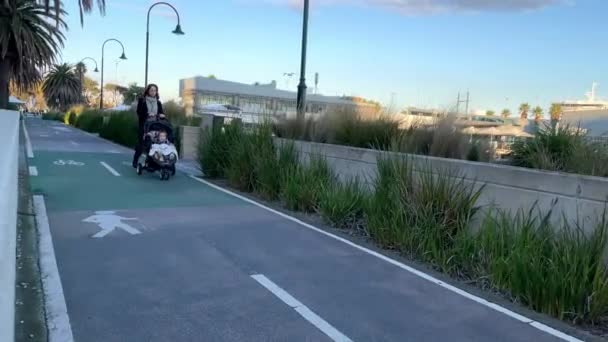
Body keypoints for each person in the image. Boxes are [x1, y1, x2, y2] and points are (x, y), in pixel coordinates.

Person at [132, 84, 165, 168]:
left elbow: (161, 112)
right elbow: (139, 112)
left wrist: (161, 115)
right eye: (151, 90)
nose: (153, 92)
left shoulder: (158, 102)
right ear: (148, 91)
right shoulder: (142, 100)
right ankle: (135, 160)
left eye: (155, 90)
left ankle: (153, 160)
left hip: (155, 126)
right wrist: (147, 114)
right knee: (142, 143)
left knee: (154, 142)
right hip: (144, 125)